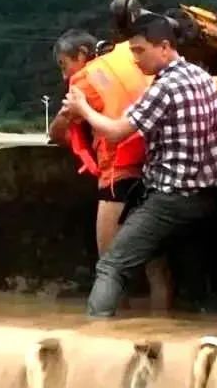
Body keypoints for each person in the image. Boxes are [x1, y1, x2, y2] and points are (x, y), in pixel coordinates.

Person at [62, 13, 217, 317]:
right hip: (205, 197)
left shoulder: (163, 88)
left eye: (140, 51)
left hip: (169, 198)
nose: (136, 60)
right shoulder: (204, 78)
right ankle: (166, 330)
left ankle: (93, 337)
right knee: (166, 272)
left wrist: (83, 109)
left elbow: (115, 131)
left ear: (164, 47)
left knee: (112, 266)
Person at [47, 29, 171, 312]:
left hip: (118, 177)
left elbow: (58, 133)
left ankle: (113, 335)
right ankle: (164, 328)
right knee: (156, 268)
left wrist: (65, 113)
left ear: (80, 55)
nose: (64, 76)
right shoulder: (134, 62)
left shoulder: (85, 80)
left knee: (110, 267)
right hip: (154, 173)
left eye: (64, 65)